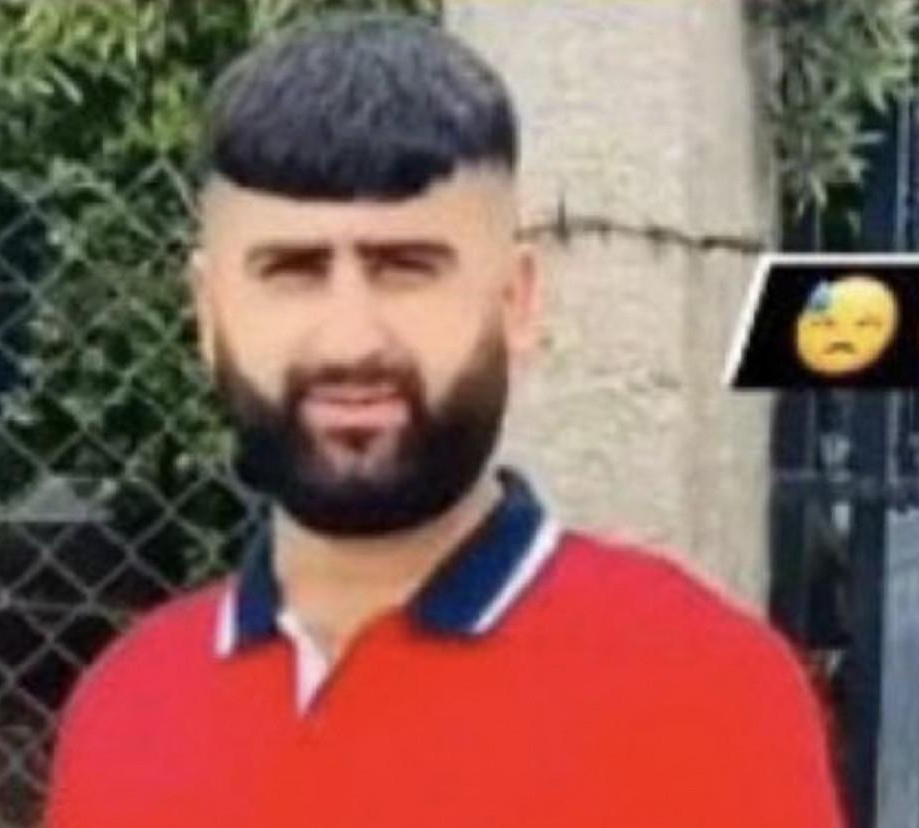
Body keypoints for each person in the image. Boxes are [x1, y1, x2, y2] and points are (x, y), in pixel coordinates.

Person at [44, 13, 844, 827]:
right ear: (210, 314)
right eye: (292, 270)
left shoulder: (704, 691)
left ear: (516, 301)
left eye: (406, 268)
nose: (351, 339)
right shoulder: (127, 709)